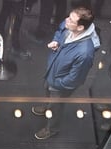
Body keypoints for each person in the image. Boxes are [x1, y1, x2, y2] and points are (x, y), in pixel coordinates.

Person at [32, 7, 99, 140]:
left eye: (71, 20)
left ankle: (52, 128)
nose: (66, 20)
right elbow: (60, 30)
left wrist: (56, 83)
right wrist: (56, 40)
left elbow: (75, 79)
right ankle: (46, 106)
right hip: (53, 73)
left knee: (56, 107)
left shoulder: (84, 53)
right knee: (48, 93)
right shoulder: (70, 27)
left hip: (60, 84)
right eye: (69, 17)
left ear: (80, 28)